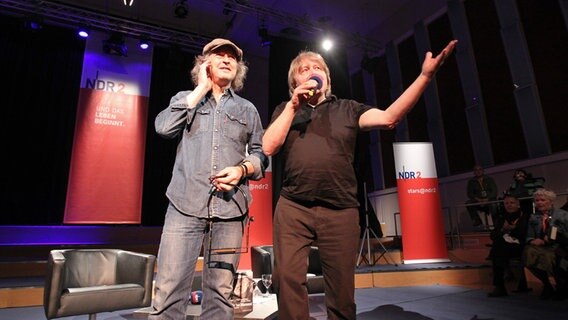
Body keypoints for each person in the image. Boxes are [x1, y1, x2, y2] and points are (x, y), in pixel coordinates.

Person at [262, 40, 457, 319]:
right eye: (303, 69)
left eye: (317, 67)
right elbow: (269, 146)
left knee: (341, 290)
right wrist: (294, 105)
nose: (311, 71)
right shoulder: (285, 109)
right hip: (294, 207)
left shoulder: (348, 109)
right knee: (287, 279)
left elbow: (390, 117)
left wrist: (425, 76)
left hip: (340, 209)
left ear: (327, 78)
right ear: (295, 80)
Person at [150, 38, 267, 319]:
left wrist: (242, 170)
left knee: (220, 296)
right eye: (219, 55)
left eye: (232, 57)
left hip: (230, 212)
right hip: (184, 208)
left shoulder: (247, 110)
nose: (227, 59)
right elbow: (163, 128)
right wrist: (201, 88)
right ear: (204, 64)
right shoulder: (185, 99)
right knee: (168, 292)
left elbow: (261, 154)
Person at [523, 188, 568, 300]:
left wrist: (555, 237)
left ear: (551, 201)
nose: (539, 203)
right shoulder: (533, 217)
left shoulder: (563, 215)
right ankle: (547, 284)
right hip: (542, 247)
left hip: (559, 247)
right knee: (528, 252)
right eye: (537, 200)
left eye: (542, 200)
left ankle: (561, 286)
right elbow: (529, 236)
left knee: (550, 257)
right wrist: (532, 240)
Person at [487, 194, 530, 297]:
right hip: (504, 246)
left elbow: (523, 234)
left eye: (512, 203)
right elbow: (493, 235)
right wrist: (503, 230)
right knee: (499, 246)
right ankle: (501, 286)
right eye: (506, 203)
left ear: (518, 204)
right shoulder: (502, 218)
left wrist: (511, 230)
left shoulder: (525, 217)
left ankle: (500, 286)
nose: (509, 205)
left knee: (497, 250)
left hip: (521, 245)